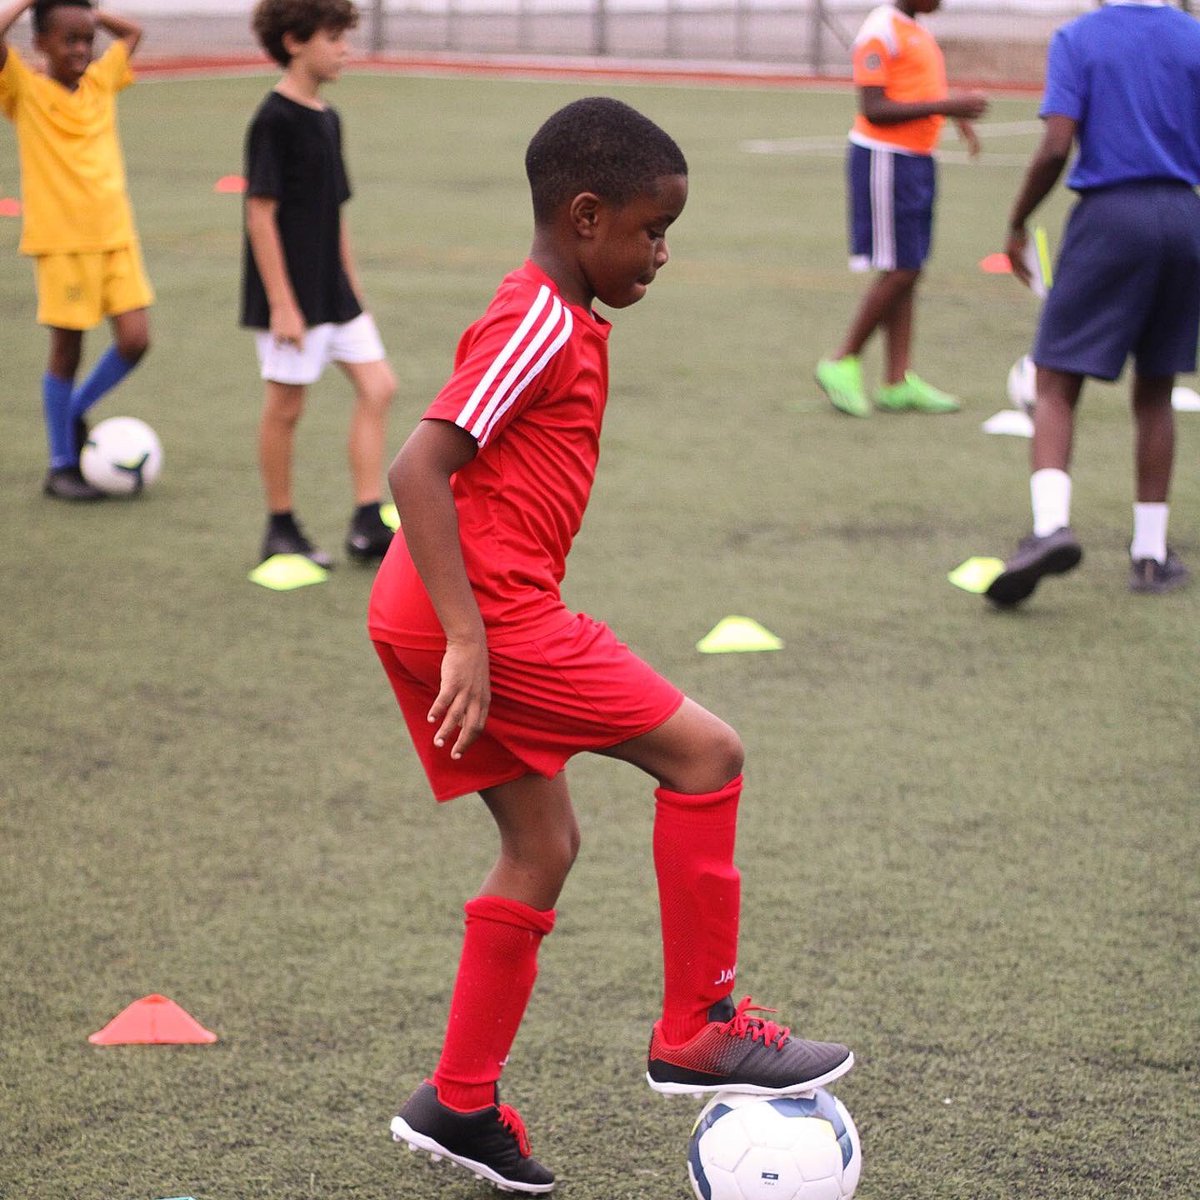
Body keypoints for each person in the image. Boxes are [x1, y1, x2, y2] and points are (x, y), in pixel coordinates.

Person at [368, 97, 854, 1195]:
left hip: (442, 608)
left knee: (541, 845)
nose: (661, 253)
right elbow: (416, 468)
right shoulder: (539, 318)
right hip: (482, 615)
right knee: (707, 754)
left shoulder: (556, 314)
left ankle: (459, 1100)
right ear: (586, 217)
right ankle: (699, 1026)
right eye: (651, 230)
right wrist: (468, 638)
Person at [986, 0, 1200, 607]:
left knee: (1054, 381)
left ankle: (1050, 527)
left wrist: (1018, 220)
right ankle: (1150, 555)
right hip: (1185, 217)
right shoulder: (1193, 37)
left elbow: (1056, 146)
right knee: (1155, 389)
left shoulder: (1079, 38)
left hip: (1110, 218)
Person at [241, 0, 396, 567]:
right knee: (286, 407)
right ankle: (280, 526)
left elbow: (336, 212)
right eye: (333, 38)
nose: (344, 49)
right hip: (291, 296)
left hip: (335, 293)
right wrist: (282, 304)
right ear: (294, 42)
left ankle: (366, 520)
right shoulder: (273, 119)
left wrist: (353, 290)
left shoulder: (329, 118)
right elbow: (260, 214)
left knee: (379, 387)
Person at [0, 0, 152, 501]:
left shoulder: (99, 82)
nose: (82, 49)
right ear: (40, 43)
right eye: (69, 40)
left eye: (87, 39)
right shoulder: (25, 89)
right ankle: (61, 466)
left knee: (135, 340)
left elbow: (132, 35)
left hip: (116, 236)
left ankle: (74, 411)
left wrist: (91, 10)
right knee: (67, 349)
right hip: (63, 244)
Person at [815, 0, 987, 417]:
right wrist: (948, 107)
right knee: (900, 269)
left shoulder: (914, 28)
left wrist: (951, 113)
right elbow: (874, 108)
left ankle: (896, 382)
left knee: (910, 266)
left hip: (915, 159)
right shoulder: (881, 30)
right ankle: (841, 360)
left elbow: (914, 89)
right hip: (886, 159)